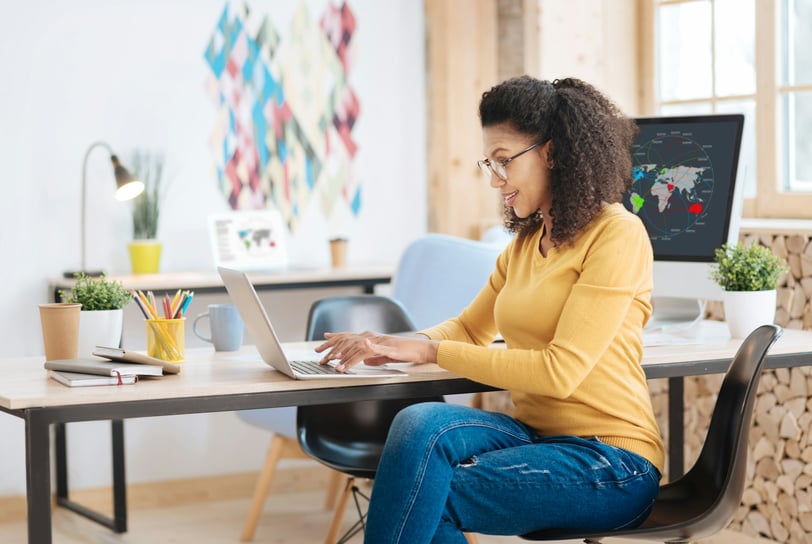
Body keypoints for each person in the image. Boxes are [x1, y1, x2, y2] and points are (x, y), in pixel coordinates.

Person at [315, 76, 665, 543]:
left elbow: (560, 372)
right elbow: (467, 328)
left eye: (504, 161)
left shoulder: (616, 234)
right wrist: (393, 345)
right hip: (537, 438)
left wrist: (427, 354)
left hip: (611, 461)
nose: (495, 179)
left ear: (554, 153)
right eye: (489, 163)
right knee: (420, 421)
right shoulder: (522, 246)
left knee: (421, 494)